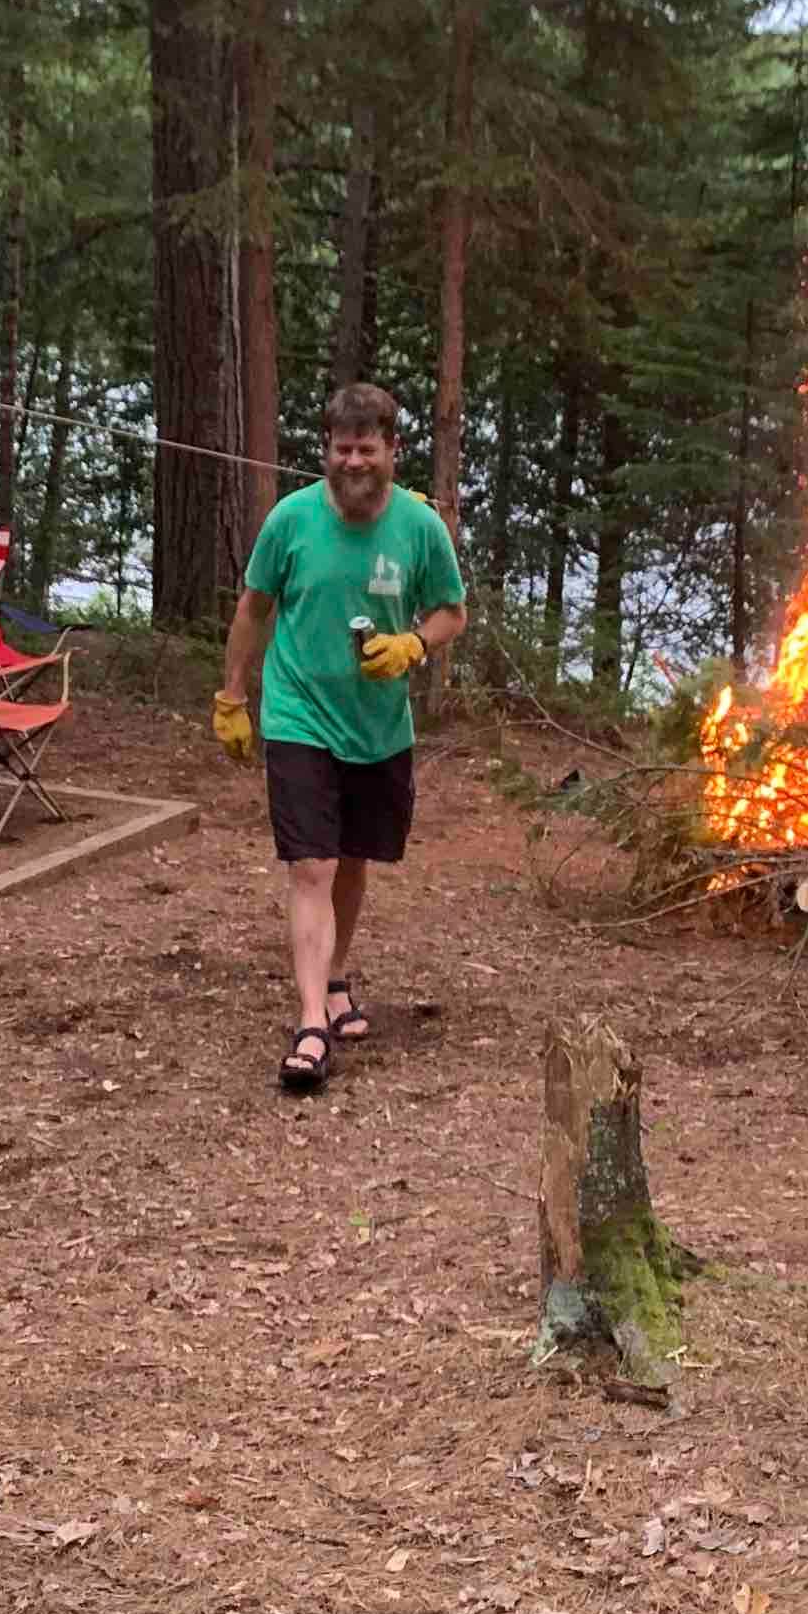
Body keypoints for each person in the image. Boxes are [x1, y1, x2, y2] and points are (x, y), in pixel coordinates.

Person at [215, 381, 467, 1093]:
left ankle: (333, 978)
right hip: (298, 713)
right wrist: (232, 694)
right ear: (325, 451)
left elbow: (451, 612)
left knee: (353, 860)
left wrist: (413, 645)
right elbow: (254, 608)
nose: (353, 461)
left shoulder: (419, 527)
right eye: (341, 449)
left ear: (393, 450)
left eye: (366, 449)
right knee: (312, 866)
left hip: (378, 725)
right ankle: (309, 1025)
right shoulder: (291, 520)